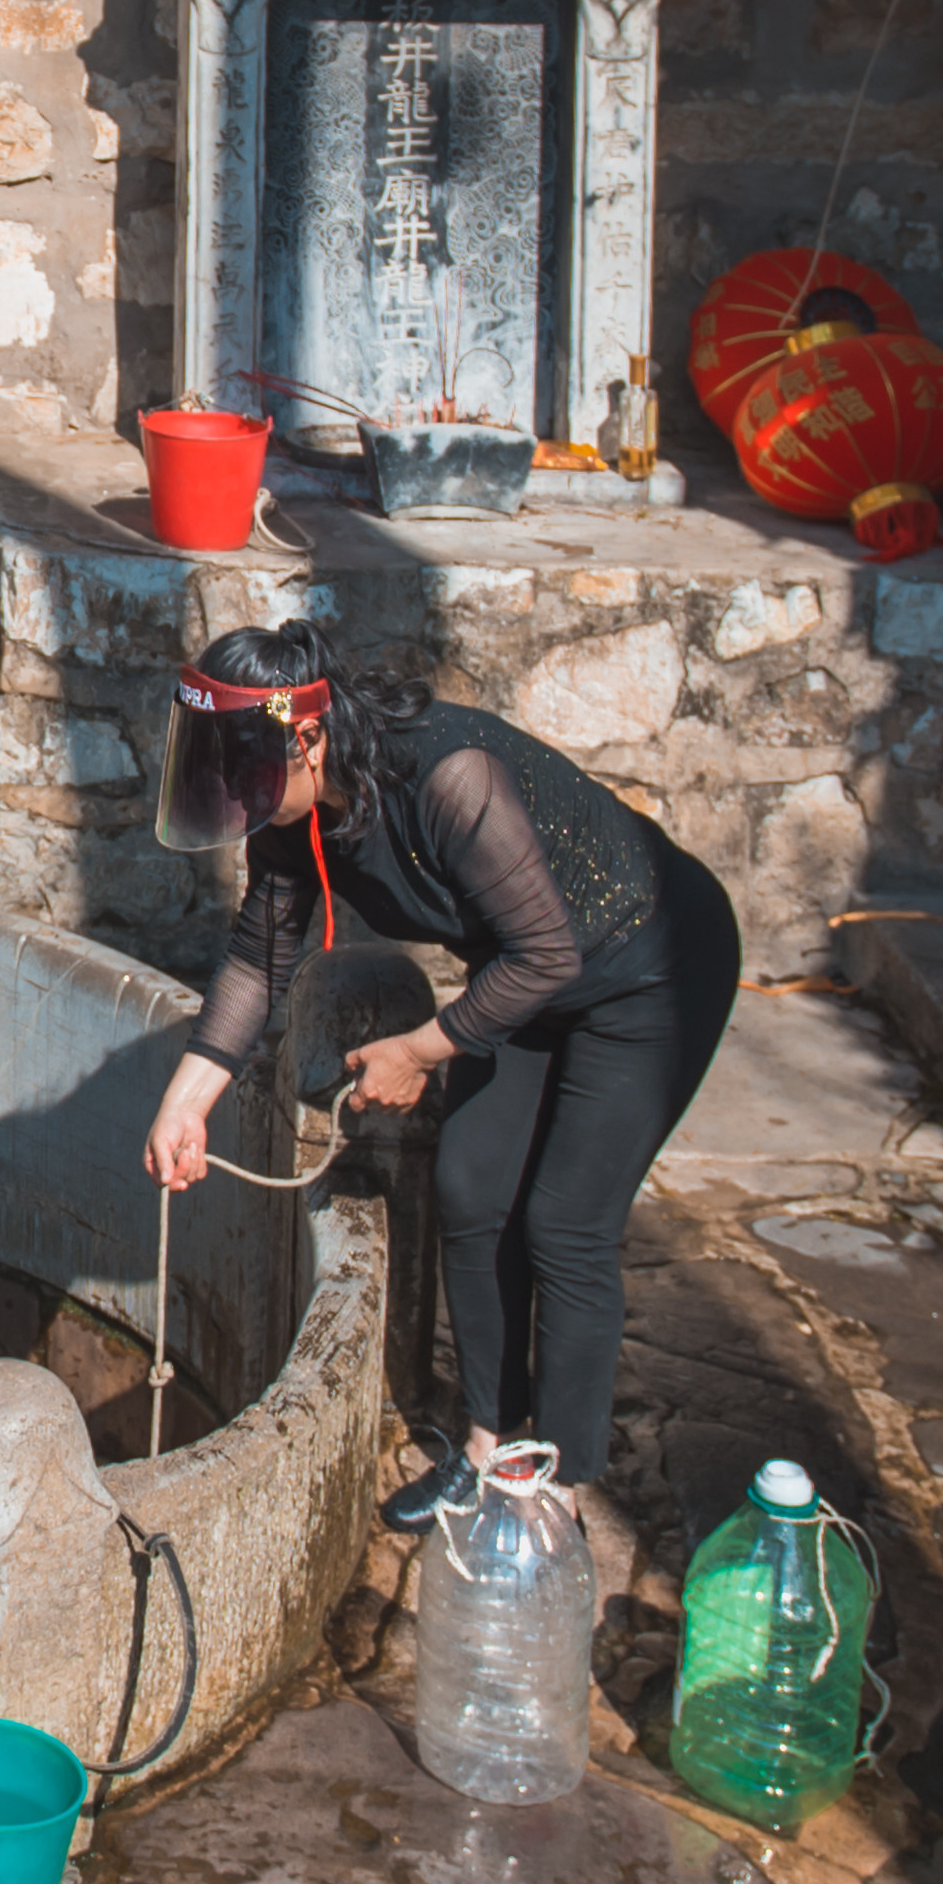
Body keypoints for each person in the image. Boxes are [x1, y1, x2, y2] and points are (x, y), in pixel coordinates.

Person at [134, 616, 739, 1532]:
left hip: (647, 965)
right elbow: (258, 960)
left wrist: (420, 1049)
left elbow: (548, 954)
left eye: (245, 775)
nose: (233, 798)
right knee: (472, 1186)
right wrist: (187, 1102)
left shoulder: (453, 780)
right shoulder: (294, 812)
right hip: (524, 970)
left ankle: (557, 1488)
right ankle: (490, 1443)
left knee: (566, 1223)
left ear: (308, 739)